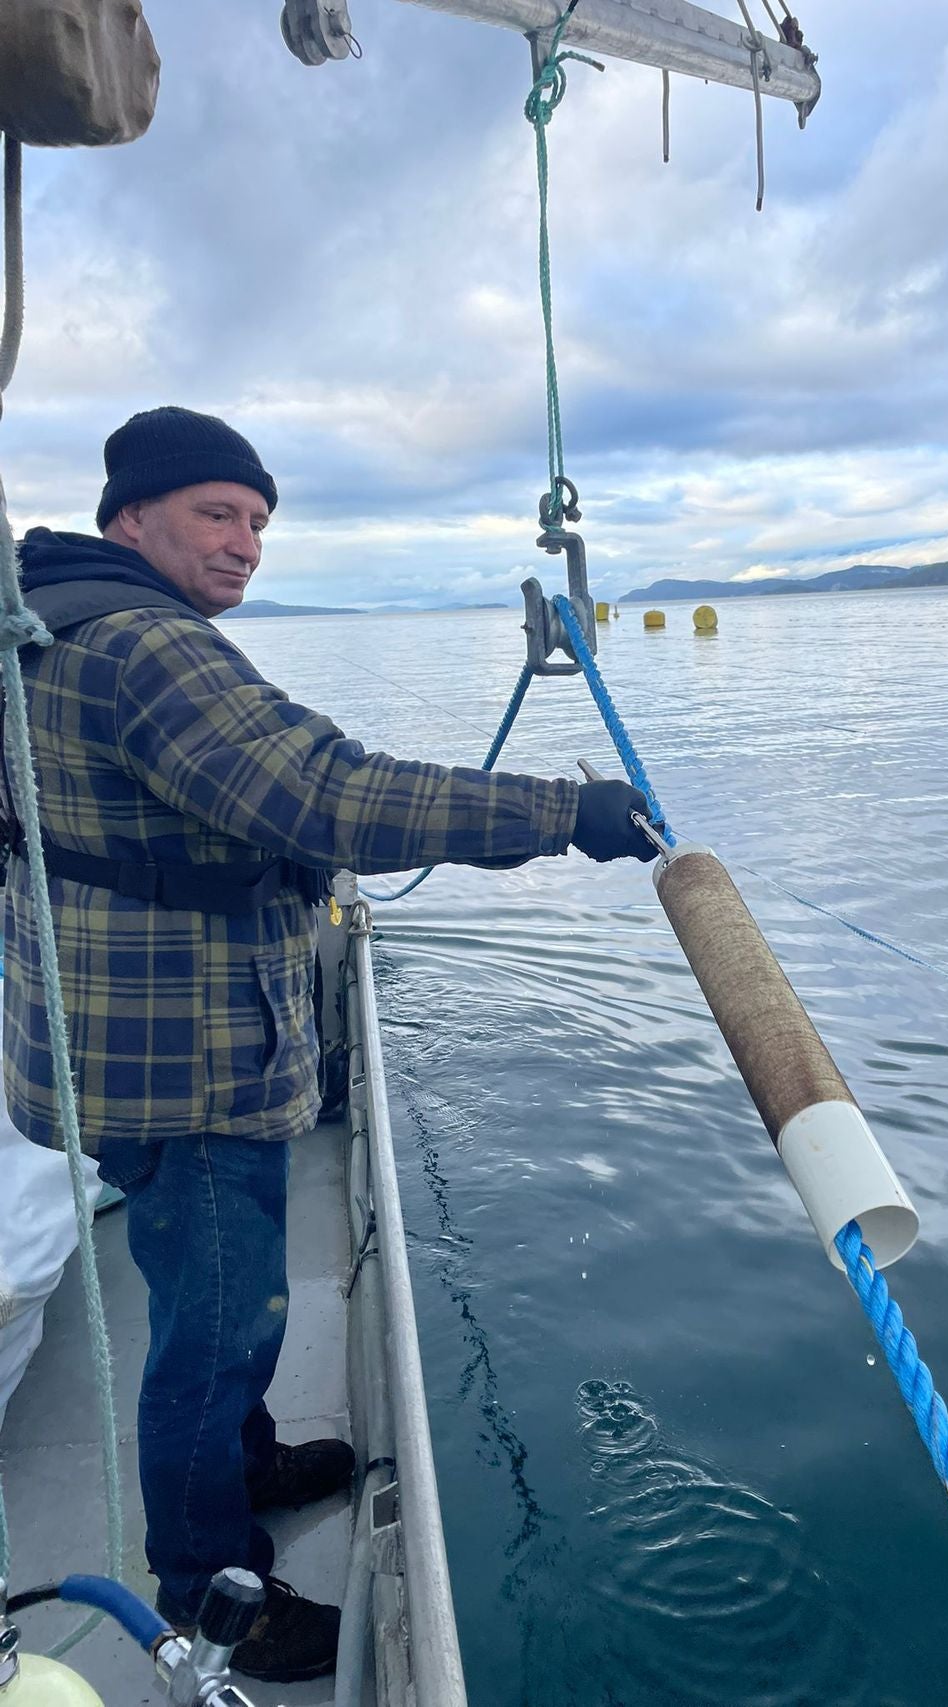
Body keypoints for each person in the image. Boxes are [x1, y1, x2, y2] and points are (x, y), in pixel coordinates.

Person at [2, 405, 656, 1684]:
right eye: (216, 513)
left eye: (258, 522)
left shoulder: (45, 629)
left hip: (101, 1046)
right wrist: (560, 812)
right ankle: (209, 1592)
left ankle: (243, 1460)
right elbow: (331, 792)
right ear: (129, 518)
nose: (246, 543)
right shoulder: (145, 646)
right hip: (182, 1061)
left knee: (217, 1301)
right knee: (216, 1326)